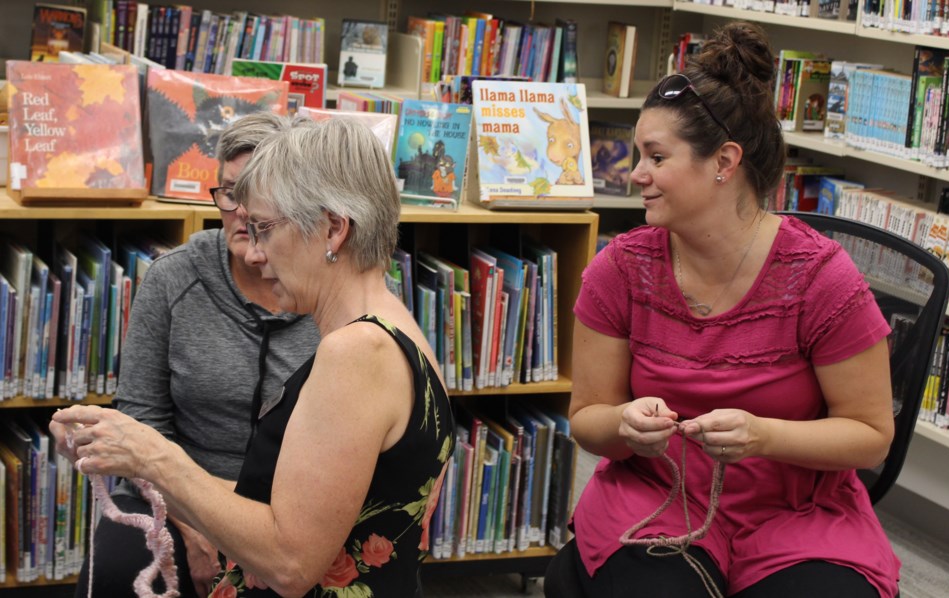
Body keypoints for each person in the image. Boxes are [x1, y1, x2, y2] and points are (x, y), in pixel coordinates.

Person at [544, 21, 900, 598]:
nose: (636, 173)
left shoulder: (820, 278)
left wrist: (764, 436)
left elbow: (870, 436)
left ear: (724, 162)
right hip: (657, 498)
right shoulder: (621, 269)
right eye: (639, 154)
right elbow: (588, 418)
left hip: (796, 514)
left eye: (656, 156)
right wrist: (625, 426)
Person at [52, 118, 455, 597]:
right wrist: (130, 444)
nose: (256, 253)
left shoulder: (354, 353)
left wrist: (153, 456)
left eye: (265, 228)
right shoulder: (399, 328)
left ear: (332, 228)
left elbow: (287, 564)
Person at [72, 113, 322, 598]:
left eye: (259, 196)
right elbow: (142, 422)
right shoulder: (172, 279)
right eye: (230, 193)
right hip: (175, 495)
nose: (244, 214)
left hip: (290, 506)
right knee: (116, 571)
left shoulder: (327, 289)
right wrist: (191, 524)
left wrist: (257, 532)